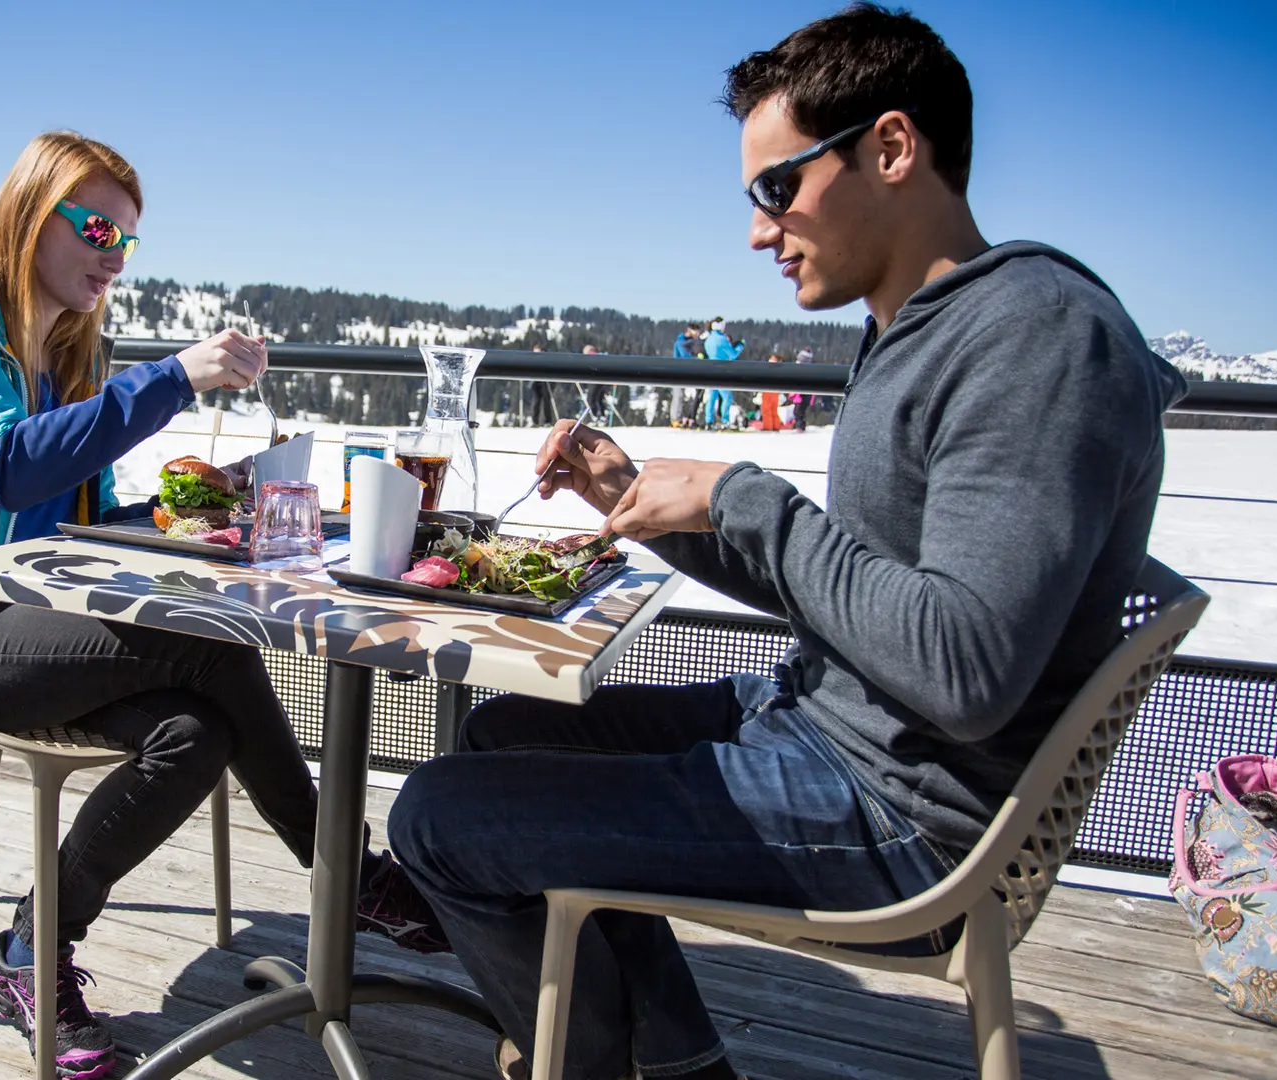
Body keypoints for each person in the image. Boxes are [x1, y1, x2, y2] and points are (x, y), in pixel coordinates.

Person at [387, 6, 1186, 1079]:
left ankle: (583, 1061)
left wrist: (748, 499)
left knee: (441, 816)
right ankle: (668, 1064)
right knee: (492, 745)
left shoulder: (1037, 339)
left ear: (892, 148)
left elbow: (964, 672)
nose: (759, 230)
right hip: (821, 728)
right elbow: (860, 598)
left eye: (778, 188)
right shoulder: (920, 329)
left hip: (905, 816)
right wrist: (642, 497)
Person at [0, 131, 424, 1080]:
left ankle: (28, 952)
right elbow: (4, 459)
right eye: (99, 225)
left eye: (129, 241)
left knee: (195, 730)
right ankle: (347, 876)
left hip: (27, 614)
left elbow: (84, 516)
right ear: (34, 209)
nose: (114, 254)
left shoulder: (68, 345)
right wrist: (176, 378)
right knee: (208, 651)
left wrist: (196, 502)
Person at [758, 352, 784, 430]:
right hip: (775, 391)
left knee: (766, 411)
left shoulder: (769, 365)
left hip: (767, 390)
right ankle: (776, 427)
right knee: (774, 411)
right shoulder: (780, 367)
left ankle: (767, 427)